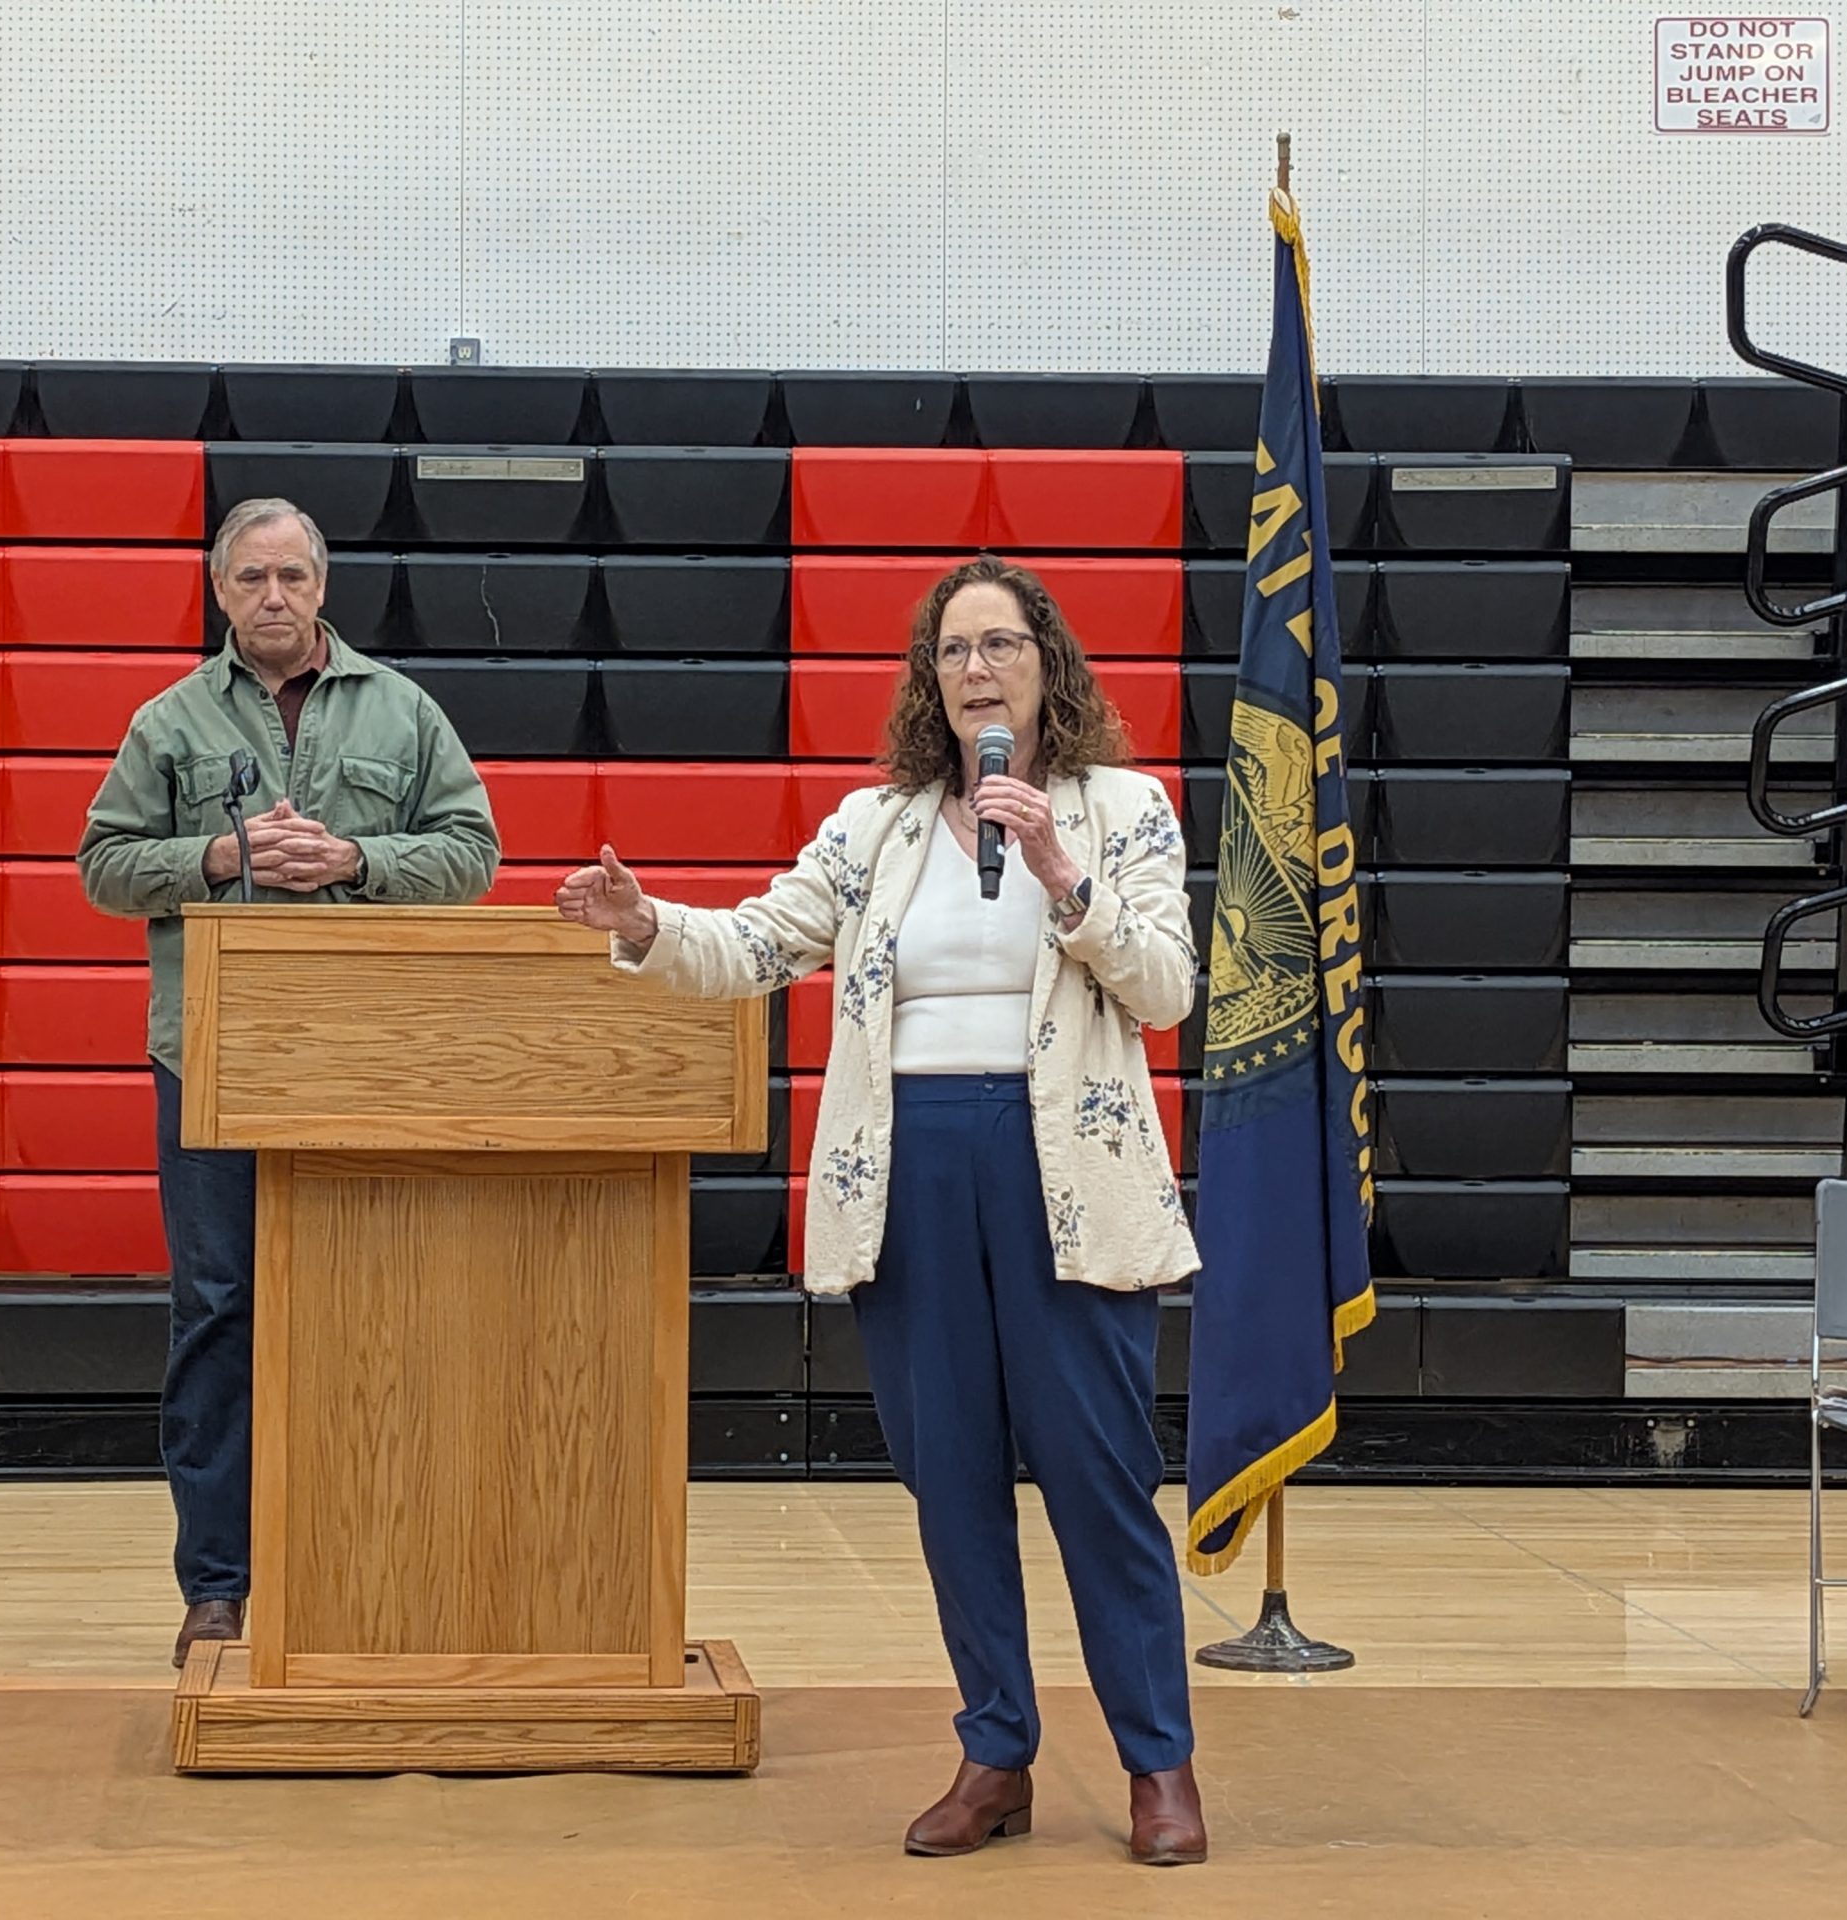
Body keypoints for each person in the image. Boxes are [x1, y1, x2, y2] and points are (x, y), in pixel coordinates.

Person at [557, 555, 1208, 1868]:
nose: (979, 670)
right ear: (932, 679)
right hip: (913, 1168)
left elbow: (1165, 992)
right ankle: (996, 1749)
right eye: (956, 651)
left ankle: (1158, 1764)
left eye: (1002, 647)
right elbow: (756, 946)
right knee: (950, 1476)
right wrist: (643, 926)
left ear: (1048, 667)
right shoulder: (875, 827)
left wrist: (1057, 868)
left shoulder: (1121, 807)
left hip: (1060, 1169)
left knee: (1098, 1476)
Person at [79, 497, 500, 1669]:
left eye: (293, 578)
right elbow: (103, 868)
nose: (273, 596)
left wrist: (358, 858)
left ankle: (372, 1563)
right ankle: (216, 1584)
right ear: (220, 593)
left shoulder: (405, 712)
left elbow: (473, 852)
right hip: (211, 1060)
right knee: (217, 1313)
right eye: (251, 578)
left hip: (367, 1056)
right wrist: (220, 857)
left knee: (375, 1309)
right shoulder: (167, 721)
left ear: (323, 589)